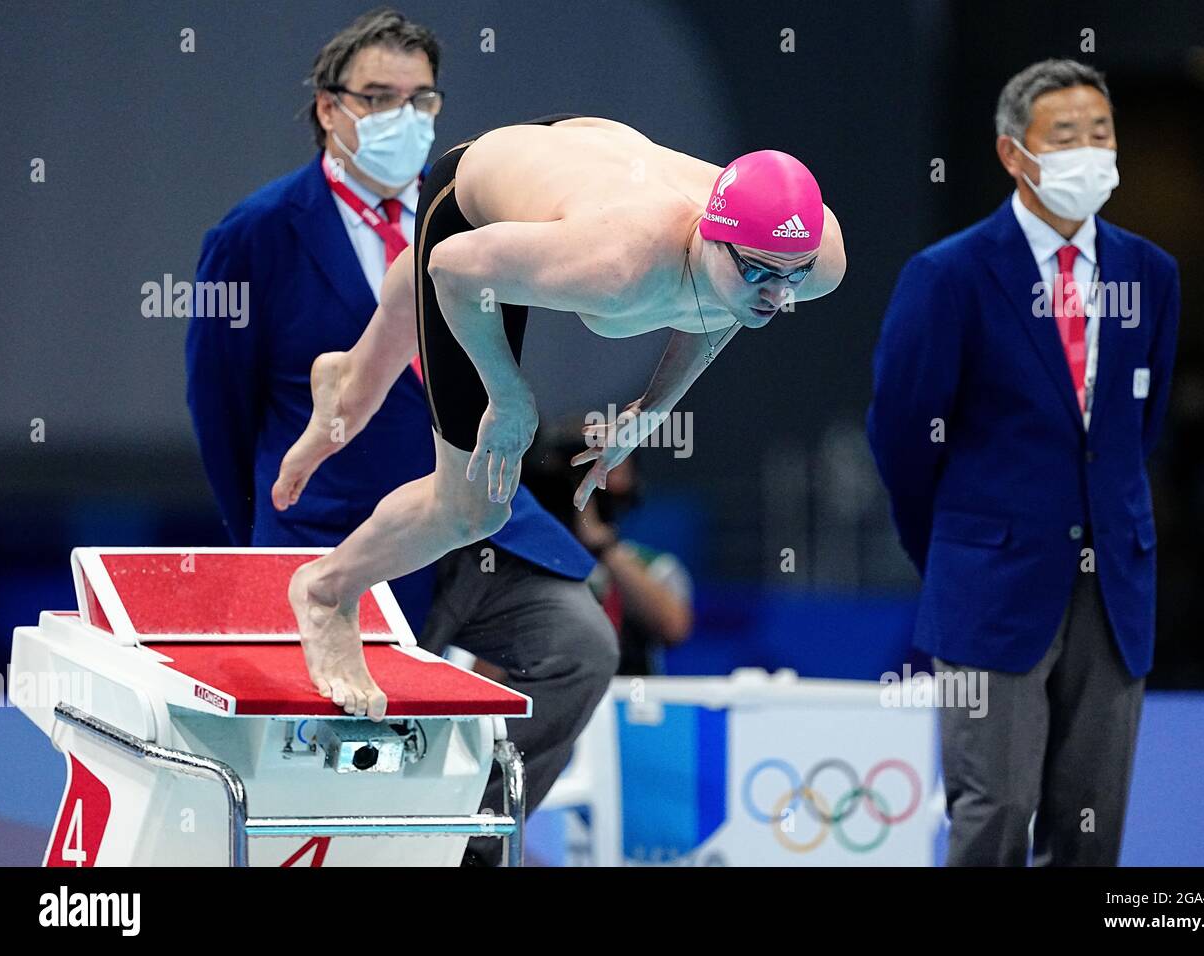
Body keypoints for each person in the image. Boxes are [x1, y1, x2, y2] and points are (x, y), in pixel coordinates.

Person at [186, 8, 618, 866]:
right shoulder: (254, 235)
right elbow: (219, 411)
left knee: (578, 645)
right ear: (327, 108)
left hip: (474, 527)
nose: (403, 119)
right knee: (341, 742)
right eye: (378, 98)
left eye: (420, 100)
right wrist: (266, 551)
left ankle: (460, 841)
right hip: (337, 532)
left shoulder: (477, 218)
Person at [272, 114, 847, 719]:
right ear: (710, 235)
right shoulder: (616, 266)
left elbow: (723, 303)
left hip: (578, 158)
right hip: (475, 206)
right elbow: (450, 266)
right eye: (759, 270)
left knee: (361, 399)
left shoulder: (809, 259)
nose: (777, 297)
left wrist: (651, 409)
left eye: (792, 277)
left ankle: (351, 378)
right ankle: (327, 590)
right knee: (472, 508)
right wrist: (509, 393)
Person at [867, 59, 1180, 865]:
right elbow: (904, 435)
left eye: (1101, 133)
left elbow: (1135, 427)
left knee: (1092, 825)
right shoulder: (950, 276)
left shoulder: (1151, 273)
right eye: (1066, 136)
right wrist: (950, 552)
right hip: (989, 583)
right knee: (995, 811)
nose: (1090, 151)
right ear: (1014, 154)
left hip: (1114, 583)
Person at [521, 422, 694, 675]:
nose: (587, 484)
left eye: (603, 470)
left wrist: (604, 548)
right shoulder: (530, 563)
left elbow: (674, 627)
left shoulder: (652, 564)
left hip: (630, 702)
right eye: (578, 474)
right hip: (554, 697)